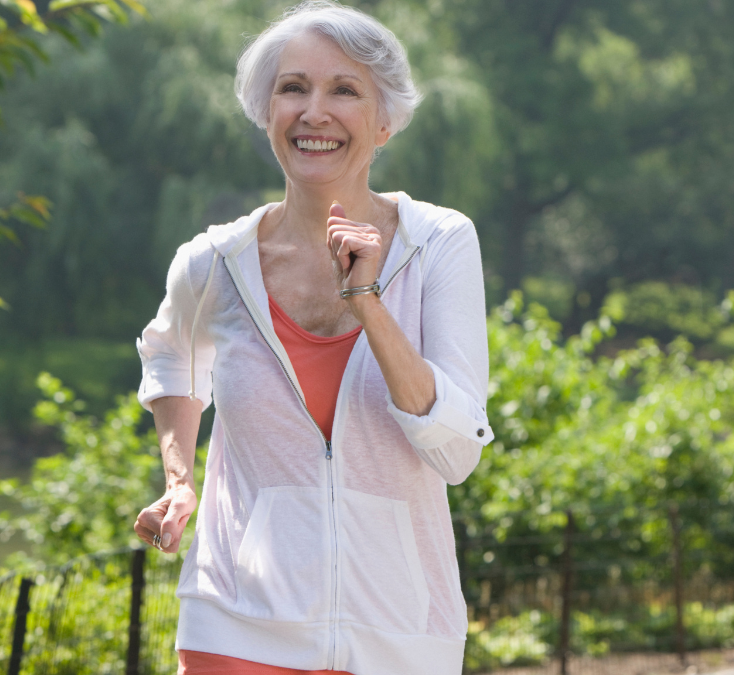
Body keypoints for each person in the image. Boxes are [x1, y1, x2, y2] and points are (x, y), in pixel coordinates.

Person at [131, 3, 494, 674]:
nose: (313, 111)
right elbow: (172, 358)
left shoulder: (438, 244)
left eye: (344, 90)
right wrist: (181, 480)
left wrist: (368, 303)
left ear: (385, 122)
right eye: (292, 88)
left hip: (399, 634)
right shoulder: (214, 263)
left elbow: (455, 453)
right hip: (238, 626)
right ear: (267, 111)